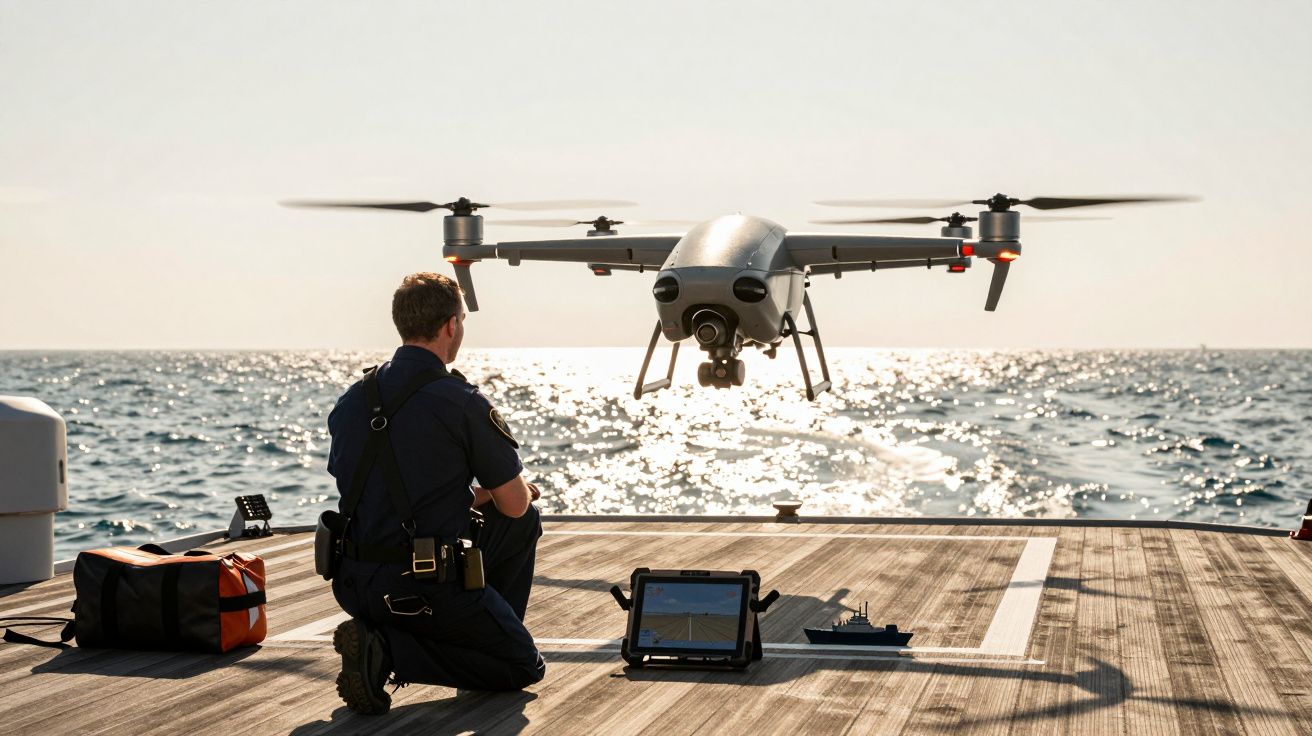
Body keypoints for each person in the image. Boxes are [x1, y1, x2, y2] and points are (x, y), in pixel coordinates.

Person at [326, 272, 545, 715]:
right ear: (450, 325)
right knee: (523, 665)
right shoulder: (460, 401)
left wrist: (475, 496)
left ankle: (392, 637)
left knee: (501, 519)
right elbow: (516, 505)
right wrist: (507, 490)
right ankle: (387, 650)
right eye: (462, 320)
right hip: (424, 586)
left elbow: (388, 493)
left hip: (354, 584)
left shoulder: (352, 400)